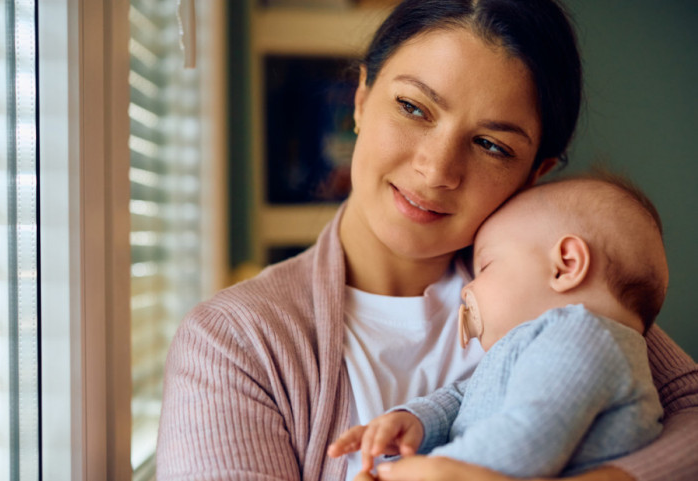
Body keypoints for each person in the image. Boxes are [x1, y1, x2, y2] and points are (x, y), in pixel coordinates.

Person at [156, 1, 698, 480]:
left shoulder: (558, 296)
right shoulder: (236, 343)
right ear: (362, 99)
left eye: (490, 144)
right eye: (413, 108)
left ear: (535, 173)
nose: (436, 169)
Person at [328, 176, 667, 478]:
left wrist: (416, 472)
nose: (466, 289)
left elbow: (526, 440)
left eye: (486, 266)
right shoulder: (546, 341)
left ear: (566, 265)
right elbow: (465, 397)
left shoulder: (585, 339)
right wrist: (417, 420)